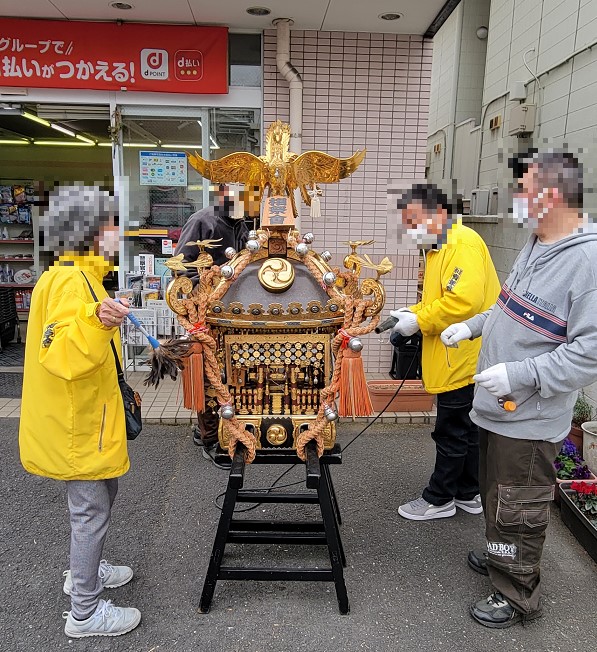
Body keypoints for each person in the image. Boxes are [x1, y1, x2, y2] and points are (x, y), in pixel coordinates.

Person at [441, 150, 597, 628]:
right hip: (498, 407)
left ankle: (515, 593)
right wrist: (471, 327)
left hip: (529, 416)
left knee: (519, 505)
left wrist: (519, 375)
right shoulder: (536, 244)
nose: (514, 201)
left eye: (523, 192)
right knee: (495, 494)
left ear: (551, 196)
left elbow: (590, 352)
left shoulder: (587, 262)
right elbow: (511, 308)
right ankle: (498, 554)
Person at [19, 184, 141, 638]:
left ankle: (84, 573)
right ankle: (85, 613)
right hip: (78, 423)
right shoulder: (69, 279)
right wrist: (97, 320)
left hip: (88, 417)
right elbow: (63, 352)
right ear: (88, 230)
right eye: (112, 225)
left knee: (101, 500)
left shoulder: (79, 275)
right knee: (90, 511)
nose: (118, 233)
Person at [390, 183, 500, 521]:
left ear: (437, 213)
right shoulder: (439, 247)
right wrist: (410, 313)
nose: (410, 229)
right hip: (457, 352)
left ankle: (439, 498)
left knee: (451, 430)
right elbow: (437, 300)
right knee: (465, 429)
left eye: (413, 220)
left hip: (463, 354)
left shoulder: (461, 243)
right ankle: (468, 492)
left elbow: (461, 302)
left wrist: (419, 321)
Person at [174, 184, 251, 468]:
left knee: (226, 373)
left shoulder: (241, 225)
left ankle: (205, 429)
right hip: (204, 311)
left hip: (231, 312)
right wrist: (205, 290)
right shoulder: (203, 220)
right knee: (207, 374)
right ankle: (209, 440)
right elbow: (180, 265)